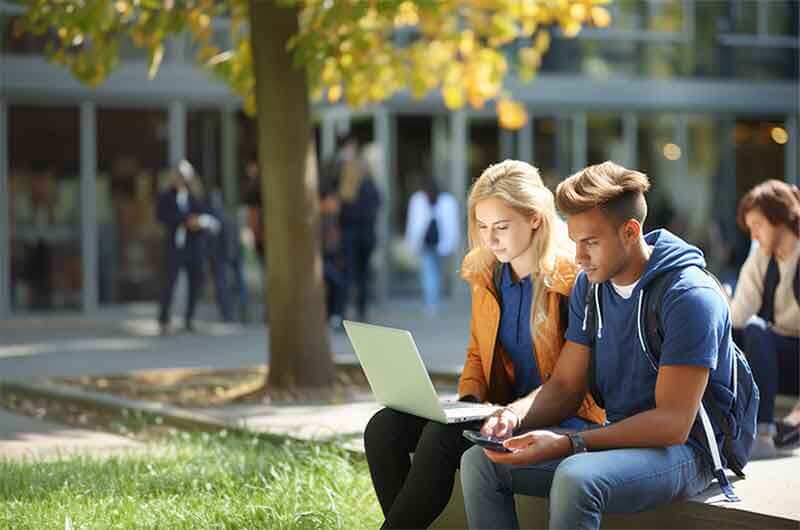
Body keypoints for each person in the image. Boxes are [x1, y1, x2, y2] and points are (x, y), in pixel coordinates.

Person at [460, 161, 743, 530]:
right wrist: (514, 415)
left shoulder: (689, 296)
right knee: (480, 462)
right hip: (619, 434)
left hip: (687, 451)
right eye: (575, 241)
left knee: (577, 477)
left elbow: (672, 423)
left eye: (590, 242)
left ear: (629, 232)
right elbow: (564, 386)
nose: (578, 257)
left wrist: (569, 443)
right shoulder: (590, 286)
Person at [363, 160, 604, 529]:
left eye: (502, 227)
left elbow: (572, 386)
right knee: (383, 429)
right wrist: (468, 404)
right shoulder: (487, 274)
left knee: (440, 440)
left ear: (536, 219)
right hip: (499, 411)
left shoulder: (572, 281)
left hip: (557, 415)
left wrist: (502, 414)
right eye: (482, 226)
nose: (490, 239)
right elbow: (477, 353)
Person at [731, 179, 800, 455]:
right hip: (779, 359)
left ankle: (765, 432)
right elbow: (738, 317)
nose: (754, 236)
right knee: (754, 330)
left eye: (758, 226)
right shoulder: (762, 257)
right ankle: (757, 431)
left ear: (779, 218)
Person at [156, 160, 218, 334]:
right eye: (179, 175)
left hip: (194, 245)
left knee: (195, 282)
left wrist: (199, 222)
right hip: (175, 246)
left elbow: (208, 215)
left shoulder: (195, 196)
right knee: (170, 282)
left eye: (185, 176)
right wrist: (184, 220)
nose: (181, 179)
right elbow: (162, 216)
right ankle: (164, 318)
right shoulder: (166, 196)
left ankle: (189, 319)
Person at [337, 133, 382, 322]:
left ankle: (348, 311)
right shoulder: (368, 187)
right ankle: (358, 311)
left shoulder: (348, 193)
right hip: (364, 236)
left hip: (353, 236)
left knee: (351, 275)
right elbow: (378, 205)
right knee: (360, 275)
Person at [404, 174, 461, 316]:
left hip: (429, 242)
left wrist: (411, 242)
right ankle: (433, 300)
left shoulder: (418, 200)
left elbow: (413, 224)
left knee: (429, 272)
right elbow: (453, 225)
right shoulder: (447, 201)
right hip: (440, 243)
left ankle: (431, 302)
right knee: (435, 272)